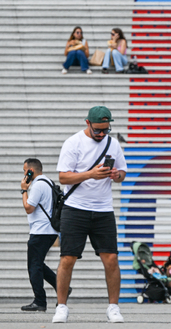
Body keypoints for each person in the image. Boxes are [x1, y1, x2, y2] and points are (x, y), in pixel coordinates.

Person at [52, 106, 127, 323]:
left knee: (111, 258)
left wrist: (116, 175)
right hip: (75, 208)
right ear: (88, 123)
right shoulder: (73, 143)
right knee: (68, 258)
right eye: (98, 130)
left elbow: (122, 173)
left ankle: (113, 307)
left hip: (103, 208)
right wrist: (90, 174)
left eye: (106, 130)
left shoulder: (113, 144)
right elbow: (64, 178)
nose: (102, 134)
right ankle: (62, 306)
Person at [20, 158, 59, 312]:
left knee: (34, 266)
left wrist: (24, 190)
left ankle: (40, 301)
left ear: (31, 171)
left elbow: (29, 208)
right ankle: (61, 286)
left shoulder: (38, 185)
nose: (24, 174)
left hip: (40, 231)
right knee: (38, 264)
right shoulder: (48, 182)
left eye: (25, 171)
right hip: (47, 231)